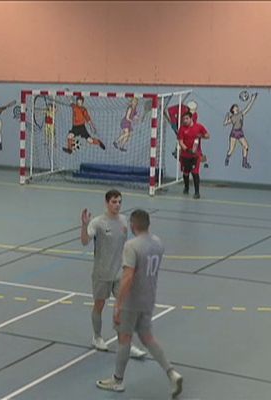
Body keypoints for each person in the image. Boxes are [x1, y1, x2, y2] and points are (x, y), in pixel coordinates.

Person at [96, 209, 183, 399]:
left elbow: (127, 277)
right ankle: (171, 372)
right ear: (148, 224)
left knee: (124, 338)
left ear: (133, 225)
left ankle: (117, 380)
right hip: (149, 297)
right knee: (147, 337)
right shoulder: (158, 243)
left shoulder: (132, 246)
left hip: (132, 301)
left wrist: (119, 305)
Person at [80, 190, 146, 359]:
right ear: (107, 203)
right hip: (102, 273)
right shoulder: (98, 223)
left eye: (119, 202)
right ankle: (97, 337)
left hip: (119, 274)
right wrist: (84, 225)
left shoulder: (124, 221)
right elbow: (85, 241)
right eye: (114, 202)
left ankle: (126, 344)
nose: (117, 205)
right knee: (99, 305)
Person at [178, 111, 210, 199]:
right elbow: (180, 142)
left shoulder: (199, 127)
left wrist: (201, 136)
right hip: (185, 155)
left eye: (186, 119)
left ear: (191, 118)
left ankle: (197, 192)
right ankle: (186, 187)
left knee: (195, 172)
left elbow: (207, 135)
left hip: (196, 155)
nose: (185, 121)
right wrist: (187, 150)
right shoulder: (182, 129)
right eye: (183, 119)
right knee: (186, 173)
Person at [223, 92, 257, 169]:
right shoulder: (232, 117)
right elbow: (225, 123)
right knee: (231, 149)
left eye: (237, 107)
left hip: (240, 132)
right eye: (235, 107)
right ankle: (227, 157)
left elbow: (247, 108)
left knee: (246, 146)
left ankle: (244, 162)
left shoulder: (241, 114)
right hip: (234, 133)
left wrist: (252, 99)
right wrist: (227, 116)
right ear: (233, 109)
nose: (237, 108)